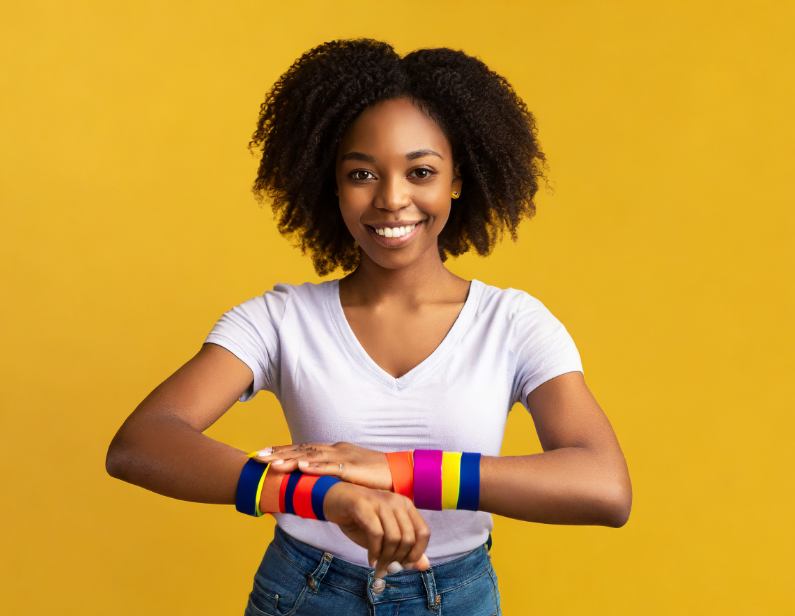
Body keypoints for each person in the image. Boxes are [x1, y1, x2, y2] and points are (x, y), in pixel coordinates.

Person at [106, 38, 632, 615]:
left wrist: (397, 470)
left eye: (421, 171)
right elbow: (142, 442)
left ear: (458, 178)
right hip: (303, 595)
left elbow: (604, 487)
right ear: (332, 184)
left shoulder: (512, 324)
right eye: (362, 173)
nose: (392, 198)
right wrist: (323, 496)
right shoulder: (281, 320)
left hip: (457, 598)